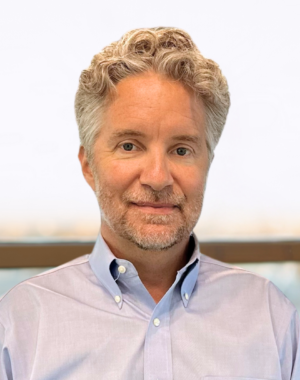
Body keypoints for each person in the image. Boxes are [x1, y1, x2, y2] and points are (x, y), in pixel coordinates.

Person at [0, 27, 299, 380]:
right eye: (129, 145)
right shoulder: (21, 322)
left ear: (207, 165)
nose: (157, 177)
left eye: (182, 150)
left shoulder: (270, 317)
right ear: (88, 166)